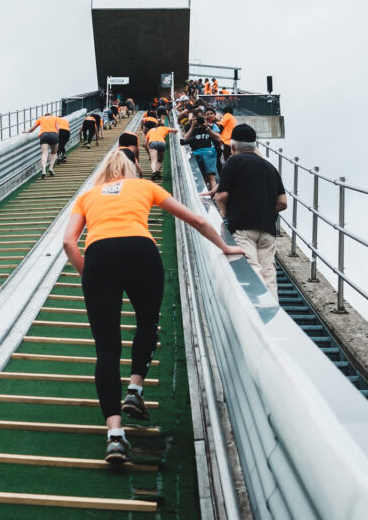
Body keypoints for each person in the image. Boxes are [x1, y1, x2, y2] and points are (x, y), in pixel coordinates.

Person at [63, 151, 243, 464]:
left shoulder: (88, 195)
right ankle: (135, 388)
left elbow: (68, 242)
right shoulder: (144, 187)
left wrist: (88, 276)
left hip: (98, 256)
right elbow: (198, 219)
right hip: (140, 251)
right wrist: (225, 247)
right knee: (147, 322)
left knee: (106, 349)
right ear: (133, 170)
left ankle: (115, 437)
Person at [214, 124, 288, 295]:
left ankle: (258, 313)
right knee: (269, 274)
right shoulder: (270, 167)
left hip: (242, 227)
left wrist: (226, 213)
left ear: (232, 146)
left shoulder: (233, 162)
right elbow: (283, 203)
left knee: (252, 270)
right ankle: (274, 314)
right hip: (267, 230)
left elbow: (221, 196)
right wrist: (265, 209)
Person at [183, 115, 222, 190]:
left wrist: (206, 127)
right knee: (201, 177)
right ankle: (205, 195)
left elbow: (218, 139)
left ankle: (212, 197)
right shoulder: (192, 129)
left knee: (211, 177)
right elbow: (185, 139)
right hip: (196, 154)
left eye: (203, 120)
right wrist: (193, 126)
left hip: (208, 153)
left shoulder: (209, 128)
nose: (200, 122)